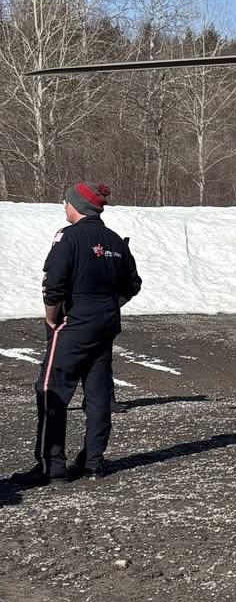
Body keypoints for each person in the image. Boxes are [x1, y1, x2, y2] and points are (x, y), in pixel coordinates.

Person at [33, 182, 142, 483]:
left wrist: (53, 318)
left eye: (66, 202)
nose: (64, 207)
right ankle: (93, 462)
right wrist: (108, 306)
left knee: (50, 389)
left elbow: (53, 285)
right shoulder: (116, 241)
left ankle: (51, 466)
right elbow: (133, 285)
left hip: (73, 323)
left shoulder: (67, 238)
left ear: (77, 206)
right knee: (97, 394)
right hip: (105, 325)